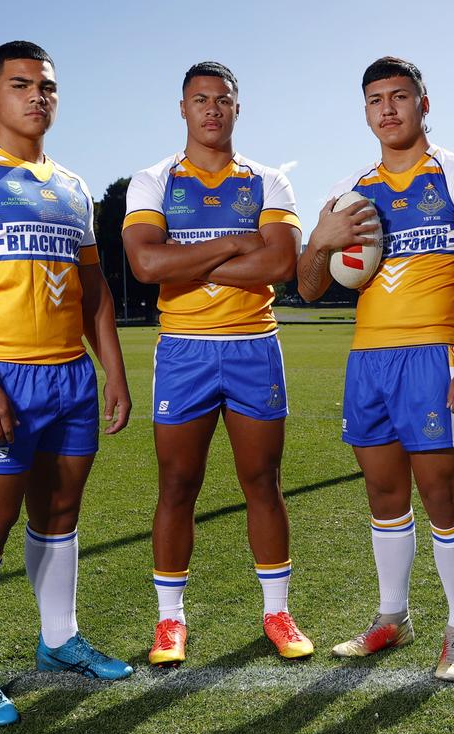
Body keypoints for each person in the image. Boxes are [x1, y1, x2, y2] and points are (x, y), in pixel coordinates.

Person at [0, 41, 133, 727]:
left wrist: (114, 372)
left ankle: (59, 640)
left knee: (61, 514)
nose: (37, 96)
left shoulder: (72, 185)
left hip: (69, 377)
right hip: (0, 376)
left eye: (47, 87)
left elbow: (94, 288)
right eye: (20, 85)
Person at [296, 57, 454, 681]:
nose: (387, 109)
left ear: (423, 104)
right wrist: (322, 240)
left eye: (399, 97)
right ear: (365, 111)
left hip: (434, 357)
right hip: (368, 361)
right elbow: (307, 288)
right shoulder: (352, 193)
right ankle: (393, 617)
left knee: (442, 496)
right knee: (384, 497)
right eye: (375, 100)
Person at [123, 61, 313, 666]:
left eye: (222, 100)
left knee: (263, 483)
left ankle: (278, 612)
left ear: (237, 108)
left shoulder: (268, 181)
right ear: (182, 108)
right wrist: (235, 243)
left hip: (254, 345)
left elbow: (282, 264)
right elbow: (147, 266)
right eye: (200, 99)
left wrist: (187, 257)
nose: (211, 109)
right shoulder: (152, 181)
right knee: (178, 485)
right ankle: (169, 621)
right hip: (184, 351)